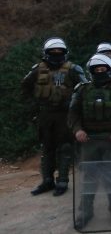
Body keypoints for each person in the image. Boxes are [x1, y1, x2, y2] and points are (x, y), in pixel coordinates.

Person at [68, 54, 111, 230]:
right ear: (91, 71)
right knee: (88, 179)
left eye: (103, 69)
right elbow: (73, 114)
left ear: (110, 69)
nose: (99, 72)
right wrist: (78, 130)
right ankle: (85, 212)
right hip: (89, 141)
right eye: (96, 70)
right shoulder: (82, 89)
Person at [22, 37, 87, 197]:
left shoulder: (73, 69)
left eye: (60, 52)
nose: (57, 54)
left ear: (65, 53)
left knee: (65, 148)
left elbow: (85, 89)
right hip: (45, 114)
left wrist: (73, 104)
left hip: (66, 115)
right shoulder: (38, 69)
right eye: (53, 52)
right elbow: (25, 86)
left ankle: (63, 181)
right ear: (46, 53)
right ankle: (47, 180)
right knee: (47, 148)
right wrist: (36, 104)